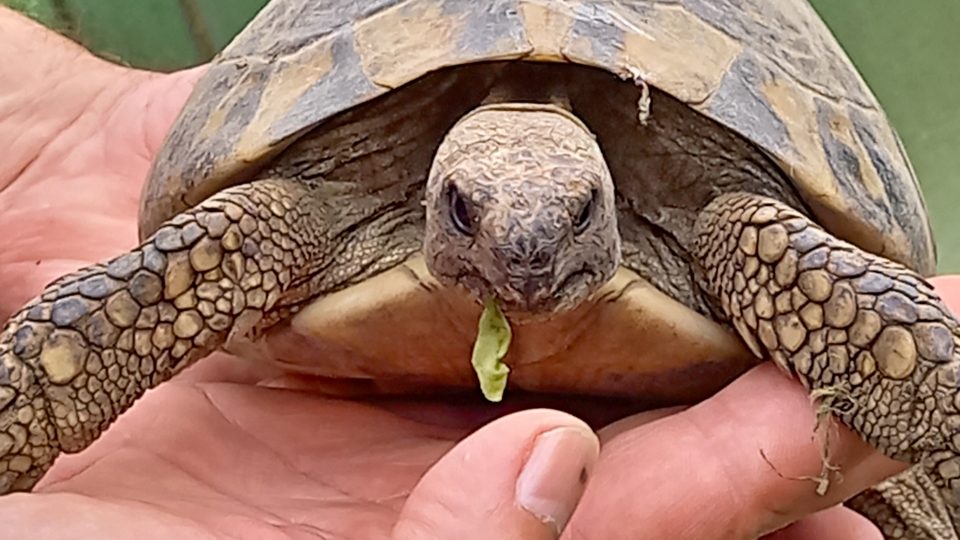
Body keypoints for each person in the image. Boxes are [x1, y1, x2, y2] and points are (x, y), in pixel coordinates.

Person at [1, 7, 955, 539]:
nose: (523, 256)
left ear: (605, 198)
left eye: (574, 218)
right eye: (469, 215)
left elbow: (891, 337)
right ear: (439, 195)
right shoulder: (294, 217)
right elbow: (109, 318)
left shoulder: (731, 225)